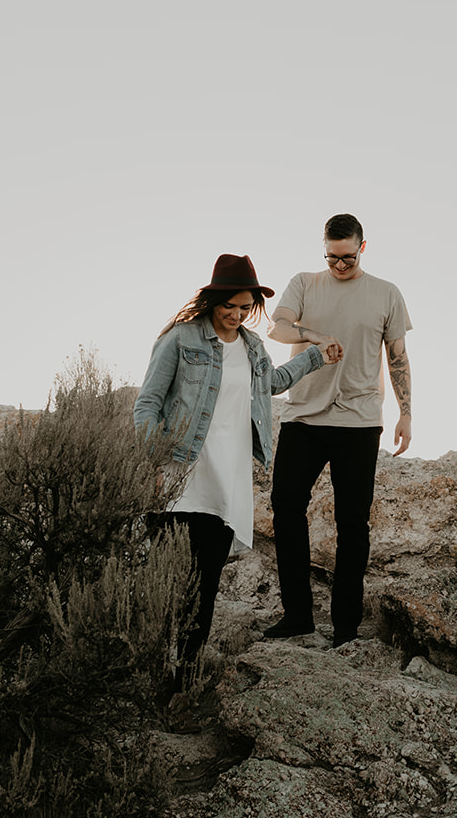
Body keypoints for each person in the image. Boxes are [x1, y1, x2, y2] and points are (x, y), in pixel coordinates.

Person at [132, 253, 338, 684]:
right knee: (164, 578)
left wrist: (315, 357)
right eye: (231, 305)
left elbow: (272, 384)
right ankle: (141, 668)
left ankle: (183, 677)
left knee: (204, 586)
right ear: (213, 300)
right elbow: (148, 402)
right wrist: (151, 458)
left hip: (227, 480)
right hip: (179, 475)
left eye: (246, 308)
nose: (237, 314)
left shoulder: (252, 347)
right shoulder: (181, 339)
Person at [263, 213, 412, 646]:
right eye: (331, 257)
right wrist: (315, 335)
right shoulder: (305, 283)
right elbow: (278, 326)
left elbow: (399, 358)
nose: (339, 265)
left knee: (353, 524)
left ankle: (345, 625)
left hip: (359, 421)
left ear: (362, 247)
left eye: (347, 257)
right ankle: (297, 616)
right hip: (304, 416)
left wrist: (406, 412)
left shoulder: (387, 293)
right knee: (286, 509)